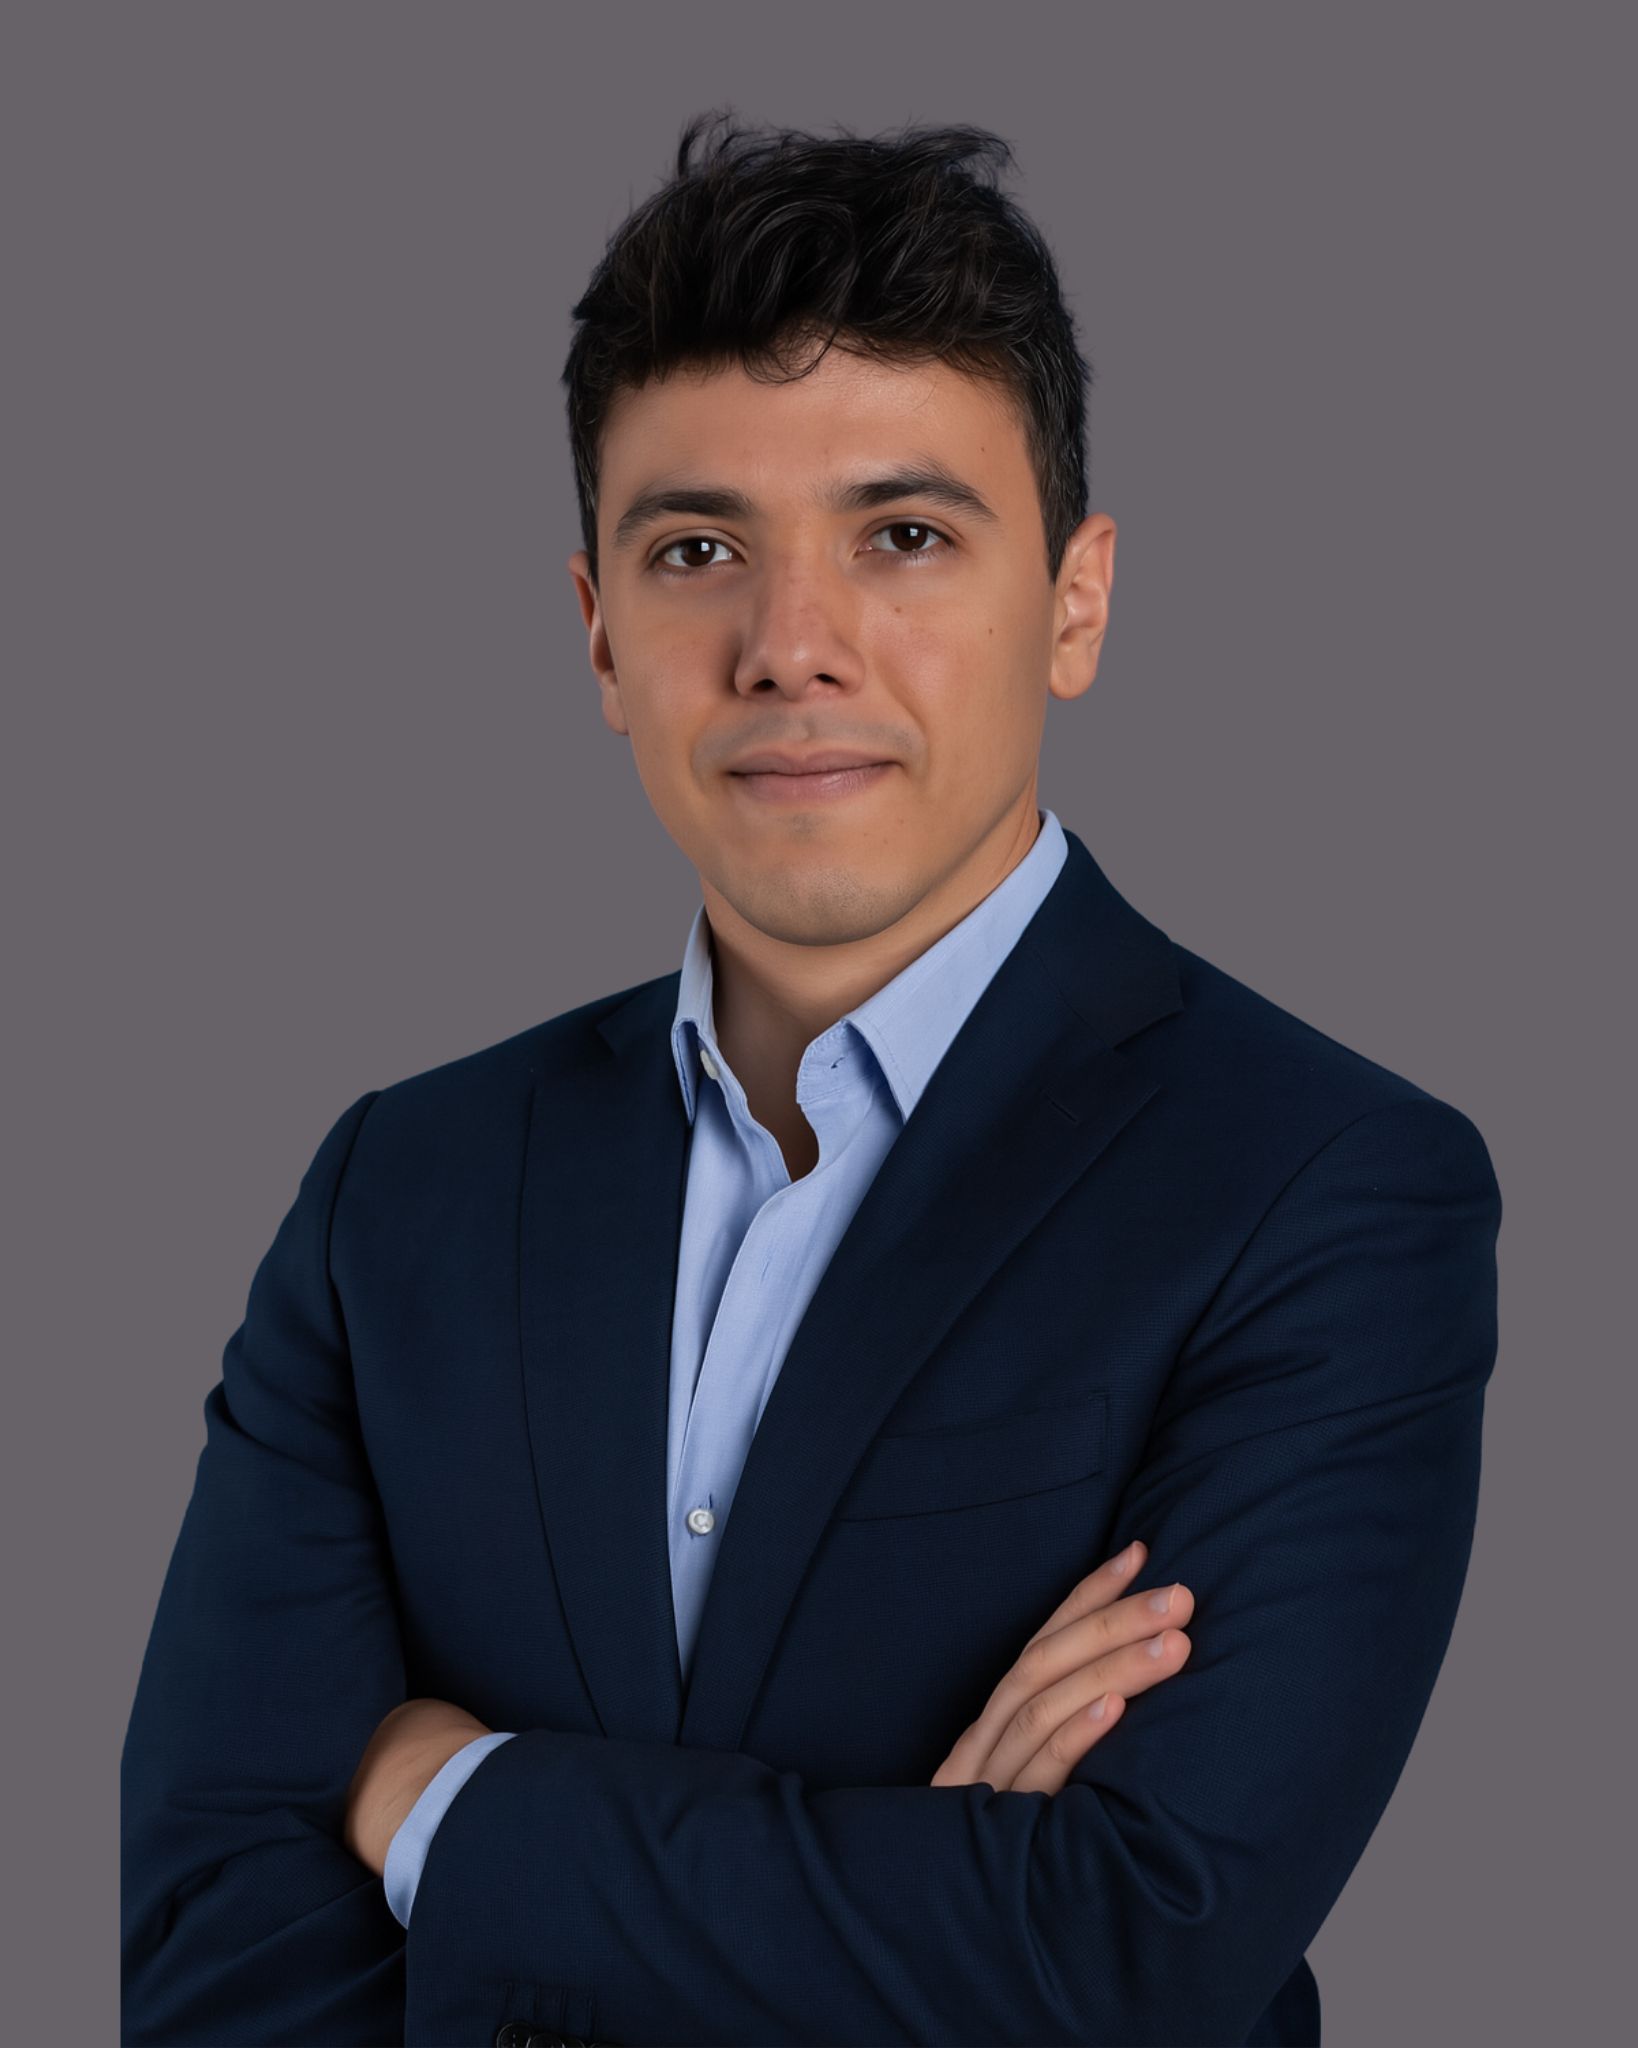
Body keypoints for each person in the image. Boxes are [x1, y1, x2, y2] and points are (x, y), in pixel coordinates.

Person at [120, 110, 1502, 2048]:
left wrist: (443, 1799)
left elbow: (1123, 1949)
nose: (790, 646)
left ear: (1076, 600)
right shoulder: (399, 1191)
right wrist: (922, 1891)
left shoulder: (1322, 1184)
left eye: (903, 537)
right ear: (600, 634)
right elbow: (211, 1952)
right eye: (698, 551)